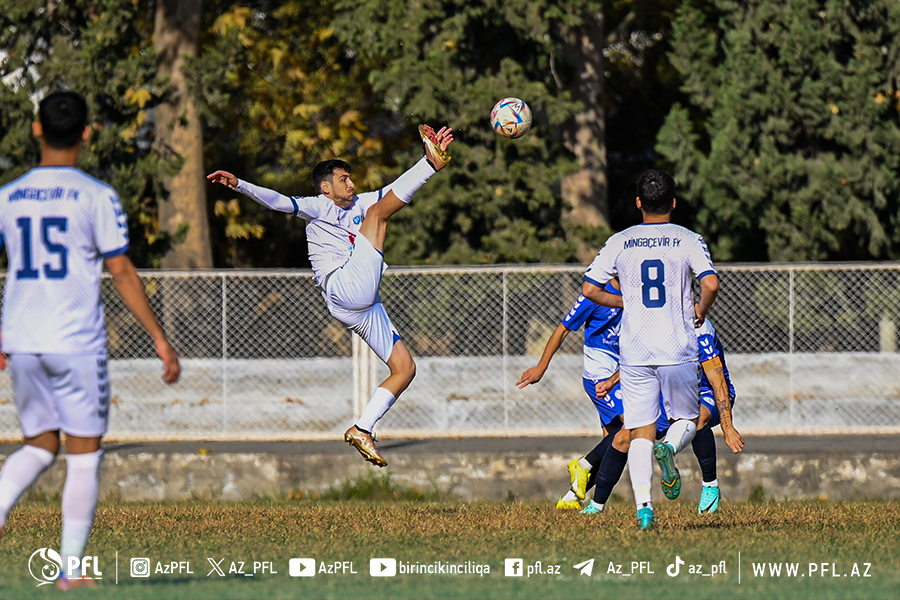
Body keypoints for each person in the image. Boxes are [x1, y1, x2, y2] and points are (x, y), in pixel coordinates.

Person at [0, 91, 180, 589]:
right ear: (86, 133)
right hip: (75, 342)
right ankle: (71, 571)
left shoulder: (7, 196)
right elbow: (120, 271)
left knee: (39, 445)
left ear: (36, 130)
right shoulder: (95, 195)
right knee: (83, 454)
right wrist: (160, 340)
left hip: (21, 341)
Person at [208, 125, 453, 467]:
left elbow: (393, 190)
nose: (351, 184)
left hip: (359, 306)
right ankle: (433, 163)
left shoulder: (360, 202)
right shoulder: (317, 207)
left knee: (405, 368)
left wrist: (425, 164)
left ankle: (362, 428)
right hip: (343, 286)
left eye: (351, 178)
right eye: (343, 179)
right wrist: (240, 184)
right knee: (378, 214)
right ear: (326, 188)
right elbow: (279, 201)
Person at [581, 169, 735, 530]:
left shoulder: (620, 240)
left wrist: (625, 302)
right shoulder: (687, 238)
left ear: (638, 203)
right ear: (674, 202)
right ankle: (670, 450)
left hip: (634, 351)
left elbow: (589, 289)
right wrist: (700, 310)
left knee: (639, 432)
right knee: (686, 421)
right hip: (677, 347)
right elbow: (710, 283)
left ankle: (644, 510)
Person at [593, 317, 741, 515]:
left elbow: (718, 381)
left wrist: (728, 427)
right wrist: (612, 381)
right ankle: (596, 506)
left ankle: (710, 485)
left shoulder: (698, 329)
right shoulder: (657, 325)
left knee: (696, 418)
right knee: (622, 438)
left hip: (706, 392)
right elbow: (640, 360)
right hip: (671, 391)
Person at [515, 281, 626, 509]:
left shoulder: (638, 293)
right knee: (635, 429)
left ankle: (572, 498)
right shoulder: (595, 294)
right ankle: (583, 466)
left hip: (622, 373)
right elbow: (562, 329)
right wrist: (541, 367)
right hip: (600, 376)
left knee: (616, 444)